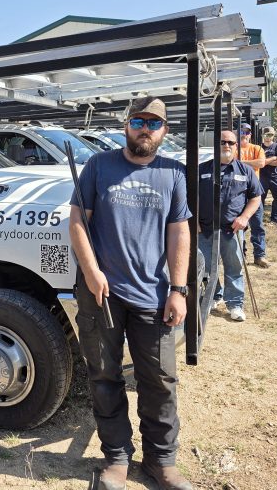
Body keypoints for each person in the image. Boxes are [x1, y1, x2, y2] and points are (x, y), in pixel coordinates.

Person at [69, 96, 192, 490]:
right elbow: (76, 220)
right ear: (127, 125)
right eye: (139, 121)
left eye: (154, 123)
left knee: (159, 379)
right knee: (104, 375)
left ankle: (161, 461)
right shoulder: (99, 166)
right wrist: (91, 273)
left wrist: (178, 289)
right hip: (100, 294)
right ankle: (117, 458)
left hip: (154, 294)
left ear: (164, 131)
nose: (145, 128)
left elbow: (179, 231)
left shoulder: (173, 172)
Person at [198, 130, 262, 323]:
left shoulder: (245, 171)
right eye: (222, 142)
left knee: (234, 267)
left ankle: (235, 304)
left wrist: (244, 217)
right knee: (207, 268)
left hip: (232, 230)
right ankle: (212, 298)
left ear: (236, 146)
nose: (226, 145)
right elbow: (187, 196)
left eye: (230, 143)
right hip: (205, 228)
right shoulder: (201, 169)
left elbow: (255, 197)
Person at [238, 122, 269, 268]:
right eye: (242, 131)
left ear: (251, 134)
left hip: (254, 192)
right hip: (237, 192)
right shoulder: (233, 148)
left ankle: (259, 255)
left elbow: (261, 163)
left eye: (247, 132)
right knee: (239, 225)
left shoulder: (257, 148)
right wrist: (251, 163)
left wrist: (241, 163)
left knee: (257, 225)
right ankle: (240, 255)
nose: (244, 134)